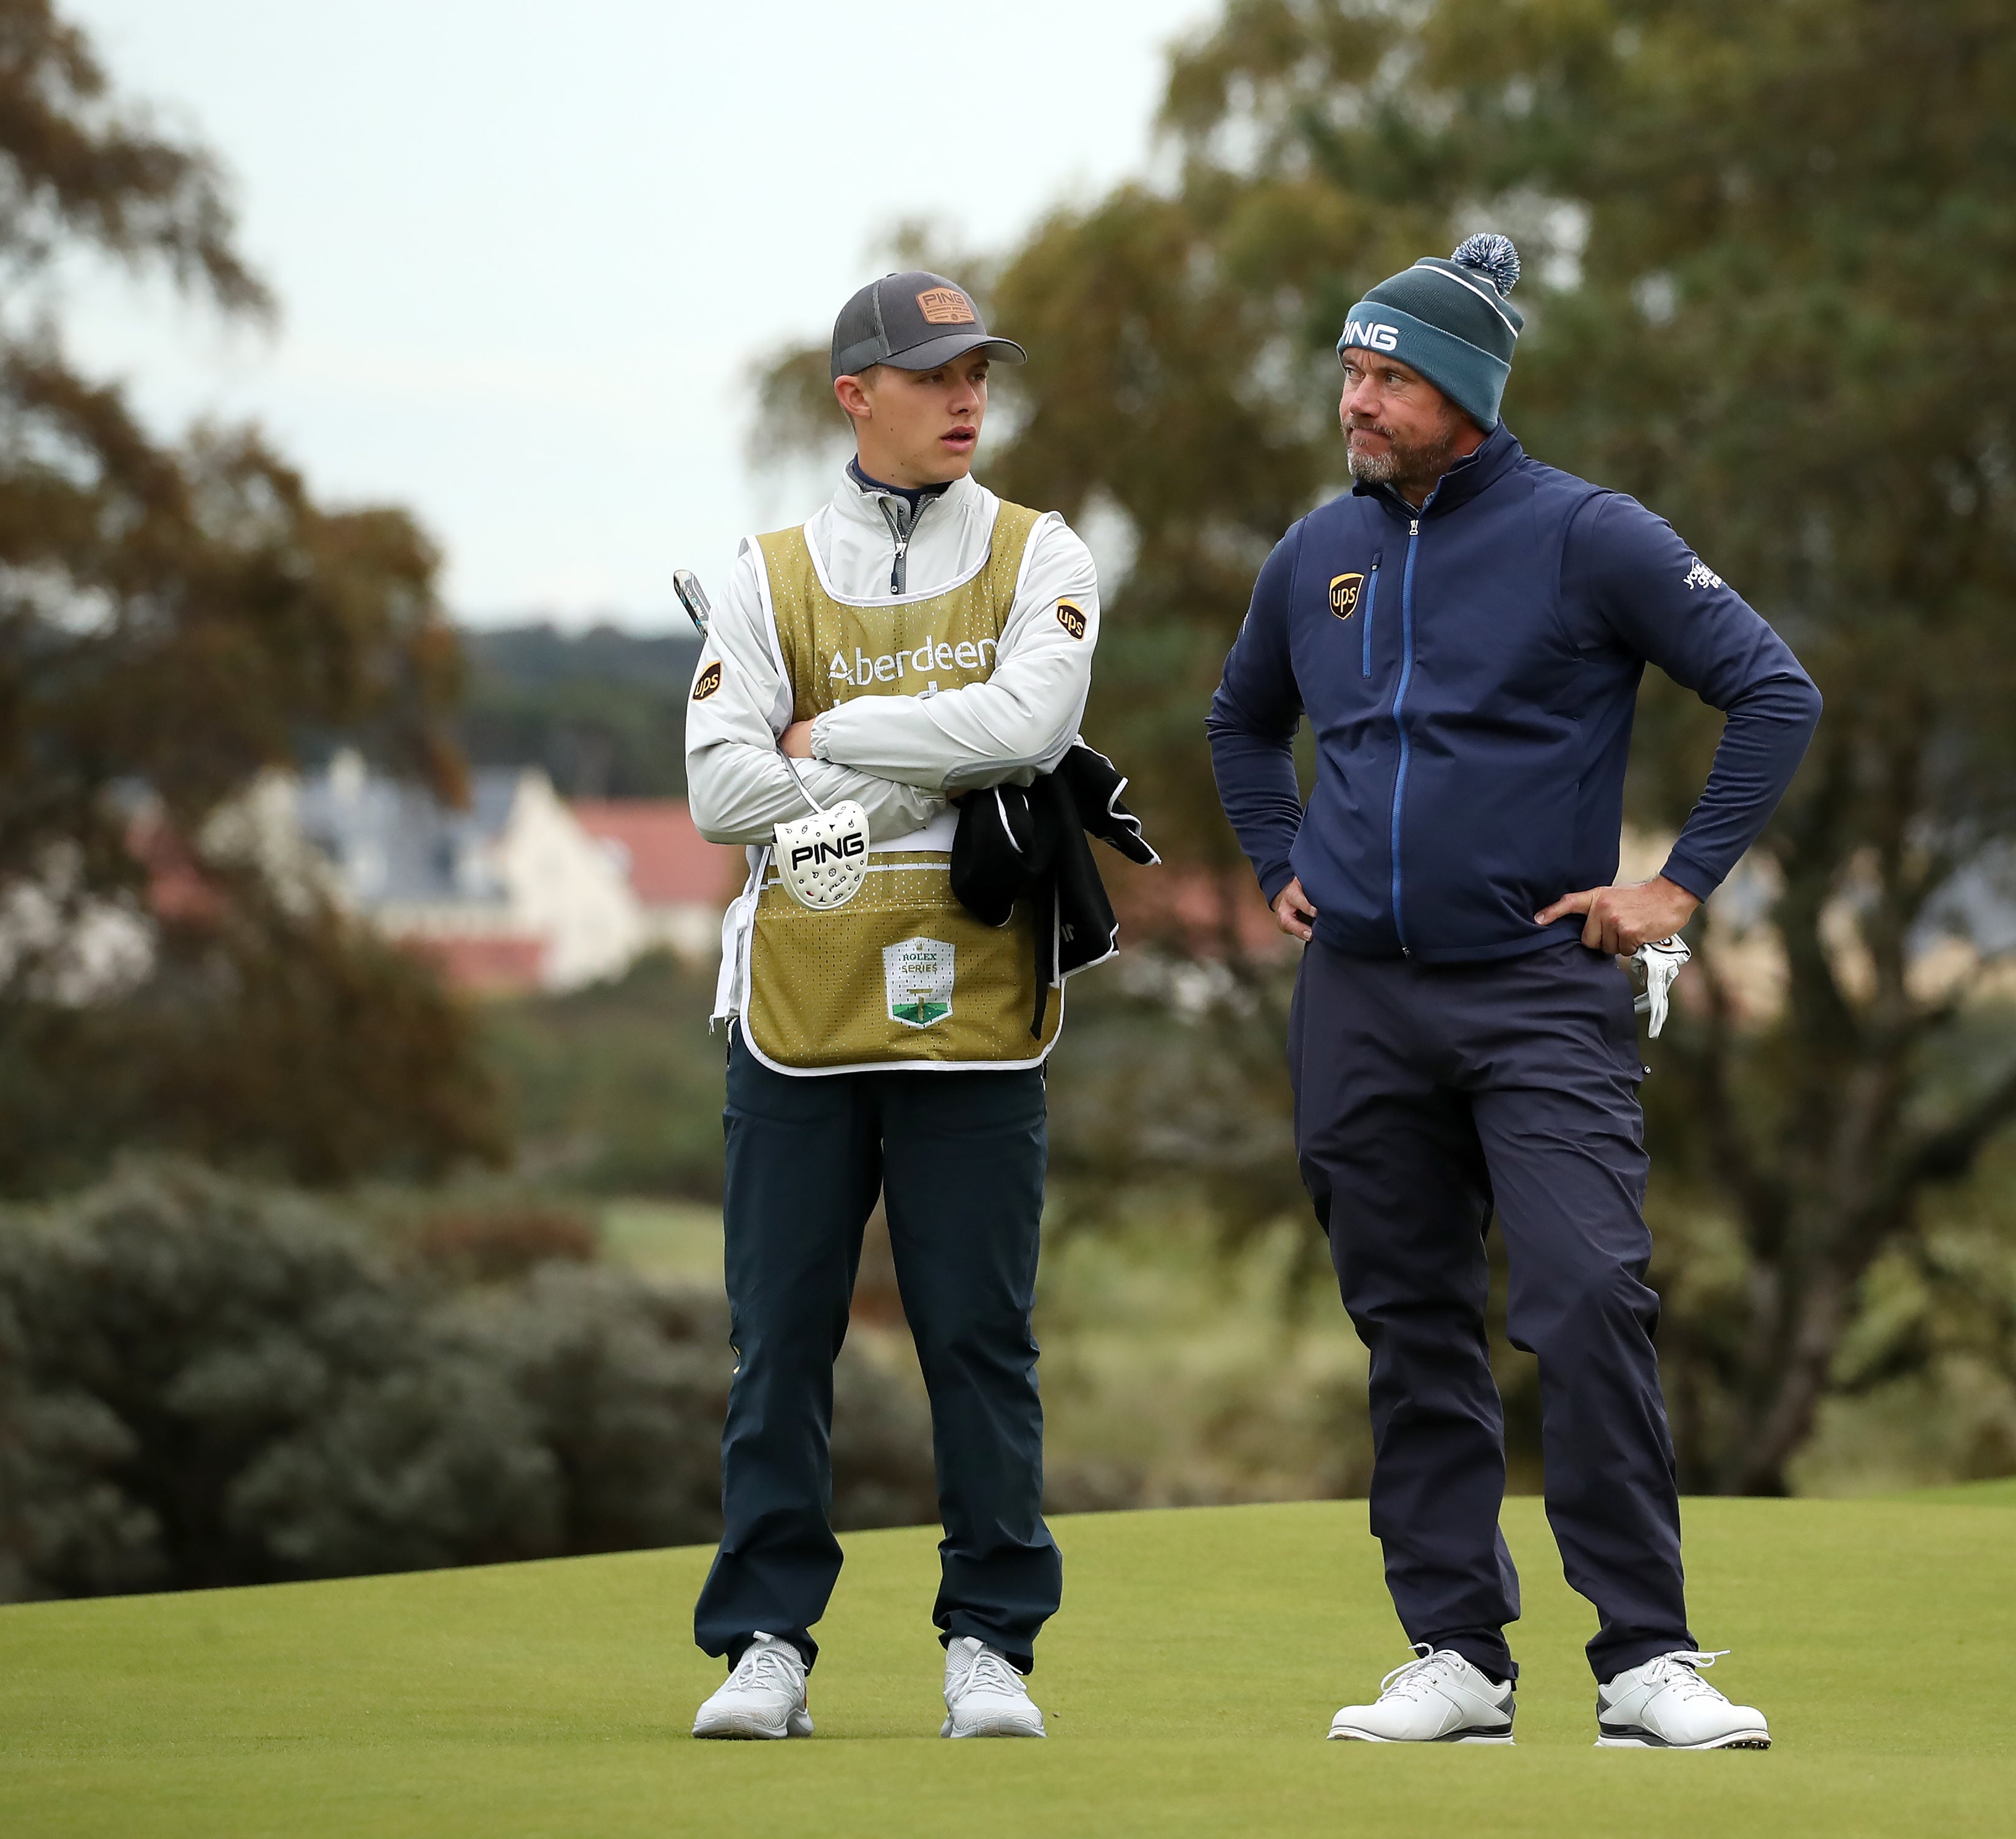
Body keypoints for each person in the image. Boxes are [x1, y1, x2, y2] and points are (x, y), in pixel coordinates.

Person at [1205, 234, 1822, 1749]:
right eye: (1350, 372)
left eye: (1390, 376)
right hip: (1358, 1000)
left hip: (1540, 993)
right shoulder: (1315, 555)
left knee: (1591, 1293)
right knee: (1411, 1324)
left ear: (1464, 393)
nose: (1359, 400)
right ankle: (1457, 1652)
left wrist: (1675, 888)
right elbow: (1240, 721)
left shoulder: (1587, 537)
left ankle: (1645, 1661)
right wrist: (1279, 850)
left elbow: (1773, 691)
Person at [683, 271, 1102, 1741]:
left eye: (979, 370)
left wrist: (831, 736)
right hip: (794, 1012)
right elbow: (721, 791)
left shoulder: (1045, 551)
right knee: (778, 1340)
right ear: (856, 396)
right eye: (934, 376)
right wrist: (919, 772)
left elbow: (1031, 726)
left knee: (979, 1342)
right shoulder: (765, 568)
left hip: (980, 1012)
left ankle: (989, 1643)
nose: (967, 397)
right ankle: (764, 1645)